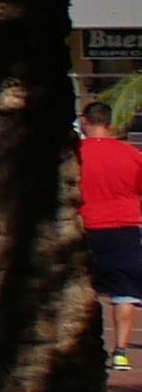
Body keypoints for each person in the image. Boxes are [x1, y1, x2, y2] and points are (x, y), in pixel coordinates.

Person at [83, 102, 142, 376]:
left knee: (81, 286)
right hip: (124, 227)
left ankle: (78, 347)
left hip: (85, 225)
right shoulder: (130, 154)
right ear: (109, 123)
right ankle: (120, 352)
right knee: (125, 291)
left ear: (85, 122)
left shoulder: (77, 153)